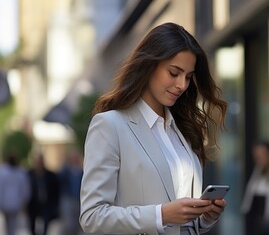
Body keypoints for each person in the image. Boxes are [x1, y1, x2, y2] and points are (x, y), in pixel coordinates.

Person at [79, 22, 228, 235]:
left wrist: (205, 217)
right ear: (149, 66)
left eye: (188, 76)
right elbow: (92, 217)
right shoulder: (110, 126)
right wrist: (161, 215)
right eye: (174, 72)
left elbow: (182, 225)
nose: (182, 85)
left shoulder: (181, 131)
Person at [241, 140, 269, 235]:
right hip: (256, 213)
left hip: (268, 216)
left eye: (262, 154)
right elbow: (250, 191)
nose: (259, 158)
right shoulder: (257, 169)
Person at [27, 153, 60, 235]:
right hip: (33, 204)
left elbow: (56, 190)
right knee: (32, 224)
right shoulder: (29, 175)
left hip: (46, 204)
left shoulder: (50, 175)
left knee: (46, 222)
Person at [0, 151, 31, 235]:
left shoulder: (20, 173)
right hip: (7, 203)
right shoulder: (3, 172)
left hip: (14, 203)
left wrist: (24, 201)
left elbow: (25, 189)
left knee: (12, 225)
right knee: (9, 225)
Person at [58, 149, 83, 235]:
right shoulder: (66, 170)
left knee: (77, 221)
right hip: (68, 198)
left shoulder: (81, 171)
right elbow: (60, 179)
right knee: (68, 222)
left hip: (78, 198)